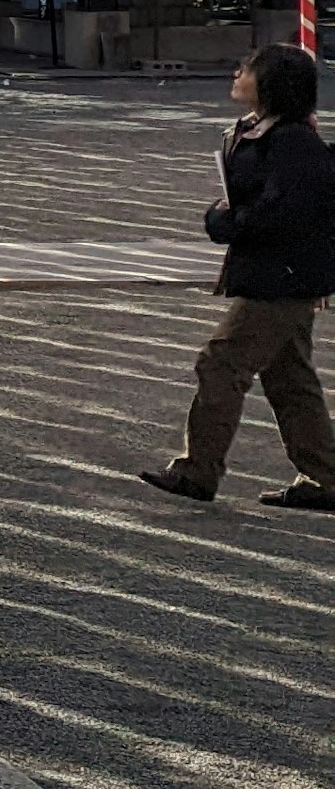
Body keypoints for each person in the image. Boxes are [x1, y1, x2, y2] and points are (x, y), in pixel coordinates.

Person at [144, 43, 335, 508]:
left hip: (283, 276)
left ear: (270, 82)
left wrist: (227, 221)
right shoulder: (263, 131)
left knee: (221, 362)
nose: (237, 73)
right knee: (288, 377)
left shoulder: (292, 140)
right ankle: (328, 477)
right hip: (278, 271)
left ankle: (198, 471)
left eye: (248, 68)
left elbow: (287, 211)